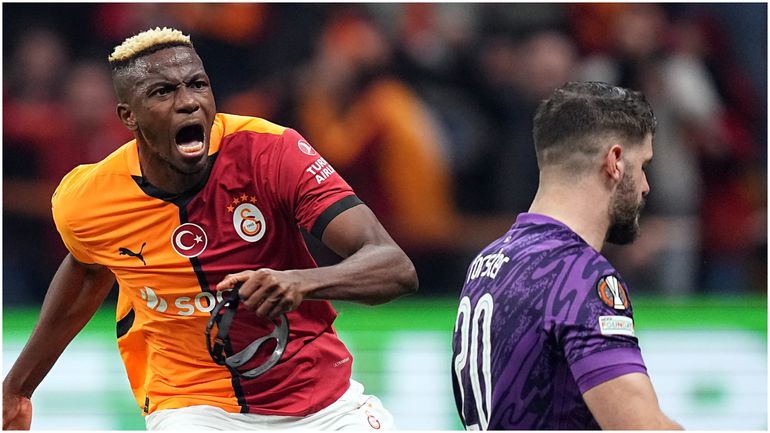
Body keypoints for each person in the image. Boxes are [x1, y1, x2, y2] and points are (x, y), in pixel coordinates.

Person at [3, 27, 418, 430]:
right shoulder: (87, 199)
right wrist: (17, 389)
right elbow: (87, 268)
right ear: (127, 116)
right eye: (163, 92)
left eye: (198, 85)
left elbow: (395, 268)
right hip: (191, 403)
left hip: (321, 401)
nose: (189, 103)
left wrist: (301, 282)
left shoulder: (270, 151)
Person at [451, 81, 682, 430]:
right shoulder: (580, 276)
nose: (646, 185)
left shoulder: (487, 263)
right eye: (643, 164)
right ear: (615, 161)